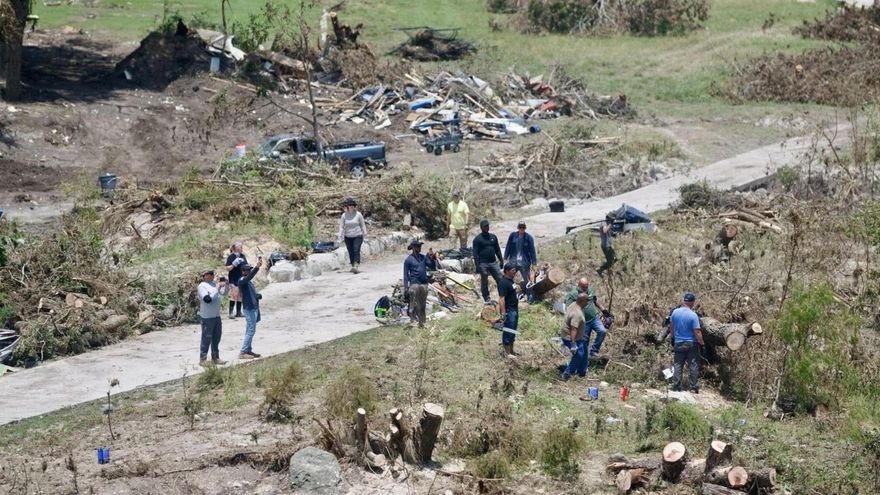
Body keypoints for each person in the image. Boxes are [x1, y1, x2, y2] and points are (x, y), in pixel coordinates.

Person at [564, 277, 608, 358]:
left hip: (594, 317)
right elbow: (568, 308)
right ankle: (584, 357)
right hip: (583, 322)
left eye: (587, 286)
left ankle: (594, 351)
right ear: (579, 285)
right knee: (584, 342)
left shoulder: (590, 290)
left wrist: (604, 310)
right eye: (583, 287)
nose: (585, 288)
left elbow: (595, 300)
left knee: (602, 331)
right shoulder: (573, 294)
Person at [670, 292, 704, 393]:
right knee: (693, 365)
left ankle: (676, 387)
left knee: (678, 365)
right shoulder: (693, 315)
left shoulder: (675, 312)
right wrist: (701, 343)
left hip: (678, 342)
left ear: (683, 301)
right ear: (693, 302)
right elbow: (697, 331)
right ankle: (693, 388)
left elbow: (671, 327)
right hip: (691, 343)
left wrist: (673, 338)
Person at [197, 270, 229, 366]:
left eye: (212, 274)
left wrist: (227, 284)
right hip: (207, 317)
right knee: (206, 338)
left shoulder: (214, 284)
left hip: (216, 316)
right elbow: (207, 299)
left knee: (216, 338)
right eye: (209, 274)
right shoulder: (202, 286)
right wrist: (217, 288)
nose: (212, 275)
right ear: (204, 276)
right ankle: (203, 359)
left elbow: (224, 293)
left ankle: (215, 357)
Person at [237, 256, 264, 359]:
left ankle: (248, 350)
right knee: (251, 330)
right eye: (247, 270)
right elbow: (249, 277)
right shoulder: (242, 280)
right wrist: (257, 267)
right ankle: (243, 352)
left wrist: (257, 296)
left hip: (253, 308)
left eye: (250, 270)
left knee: (250, 330)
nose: (249, 271)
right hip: (249, 309)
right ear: (243, 271)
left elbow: (250, 293)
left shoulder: (248, 282)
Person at [504, 221, 538, 299]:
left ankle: (530, 296)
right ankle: (511, 295)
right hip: (513, 262)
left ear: (525, 228)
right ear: (518, 228)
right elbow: (508, 246)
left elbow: (532, 251)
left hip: (524, 263)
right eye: (520, 227)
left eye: (523, 227)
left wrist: (534, 263)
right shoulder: (512, 236)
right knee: (509, 278)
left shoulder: (529, 238)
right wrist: (505, 258)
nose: (521, 229)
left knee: (528, 280)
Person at [560, 293, 589, 380]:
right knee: (579, 354)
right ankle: (567, 373)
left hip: (577, 337)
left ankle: (581, 372)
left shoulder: (573, 304)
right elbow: (573, 329)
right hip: (570, 337)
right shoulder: (577, 313)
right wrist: (573, 344)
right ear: (582, 301)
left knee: (584, 351)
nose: (588, 302)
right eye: (587, 300)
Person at [473, 219, 503, 304]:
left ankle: (503, 295)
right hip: (483, 263)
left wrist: (501, 260)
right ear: (481, 227)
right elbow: (475, 254)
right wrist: (477, 266)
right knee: (484, 279)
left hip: (493, 262)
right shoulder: (477, 239)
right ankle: (486, 298)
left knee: (500, 278)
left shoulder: (493, 237)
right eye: (485, 226)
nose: (486, 227)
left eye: (487, 226)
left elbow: (497, 249)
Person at [403, 239, 430, 328]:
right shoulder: (408, 260)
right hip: (414, 284)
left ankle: (422, 322)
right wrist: (406, 287)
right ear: (413, 248)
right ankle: (414, 321)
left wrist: (431, 257)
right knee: (414, 304)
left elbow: (431, 265)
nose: (420, 248)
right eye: (418, 246)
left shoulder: (423, 257)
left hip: (423, 284)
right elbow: (406, 275)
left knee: (422, 305)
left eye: (420, 246)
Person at [337, 197, 367, 274]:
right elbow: (341, 227)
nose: (351, 207)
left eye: (352, 205)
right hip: (348, 236)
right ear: (346, 207)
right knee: (350, 251)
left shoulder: (358, 215)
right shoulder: (344, 215)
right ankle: (353, 265)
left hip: (357, 235)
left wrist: (365, 235)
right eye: (349, 206)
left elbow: (363, 225)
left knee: (356, 249)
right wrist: (340, 236)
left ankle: (356, 265)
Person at [497, 262, 520, 357]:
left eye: (515, 270)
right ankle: (507, 353)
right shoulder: (503, 282)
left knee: (513, 331)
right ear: (506, 271)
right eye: (513, 270)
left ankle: (511, 351)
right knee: (508, 330)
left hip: (514, 309)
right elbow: (501, 299)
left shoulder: (511, 280)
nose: (515, 272)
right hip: (509, 310)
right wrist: (503, 313)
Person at [225, 242, 248, 319]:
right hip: (233, 279)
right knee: (234, 295)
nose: (241, 248)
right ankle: (231, 313)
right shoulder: (231, 257)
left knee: (240, 296)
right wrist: (233, 264)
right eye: (240, 247)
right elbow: (227, 268)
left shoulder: (243, 256)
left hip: (241, 278)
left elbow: (246, 265)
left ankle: (239, 312)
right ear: (236, 248)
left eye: (241, 247)